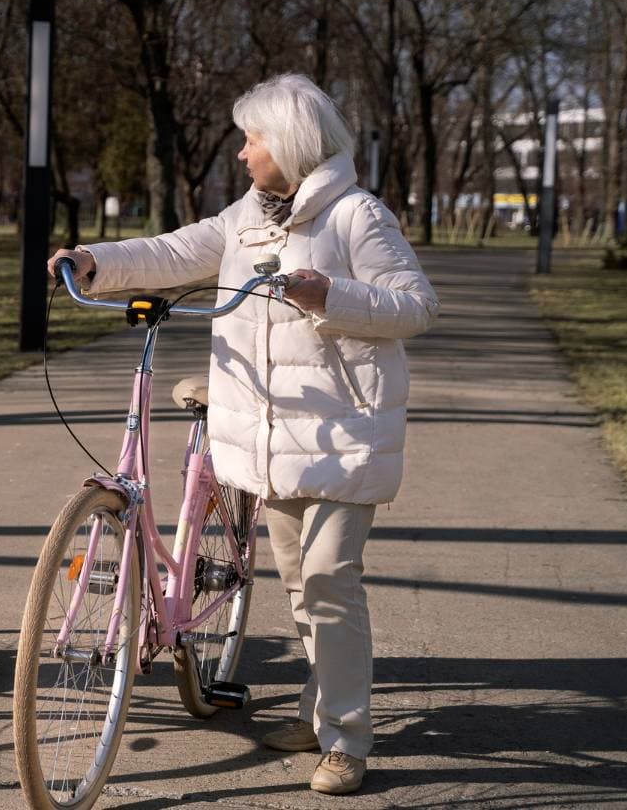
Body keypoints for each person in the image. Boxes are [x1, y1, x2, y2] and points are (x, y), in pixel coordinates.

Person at [48, 73, 438, 795]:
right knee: (300, 586)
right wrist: (95, 260)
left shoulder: (356, 216)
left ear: (288, 143)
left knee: (329, 580)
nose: (242, 152)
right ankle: (321, 711)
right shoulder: (247, 218)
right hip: (273, 437)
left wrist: (331, 296)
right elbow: (173, 252)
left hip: (346, 434)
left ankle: (346, 740)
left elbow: (416, 305)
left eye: (252, 139)